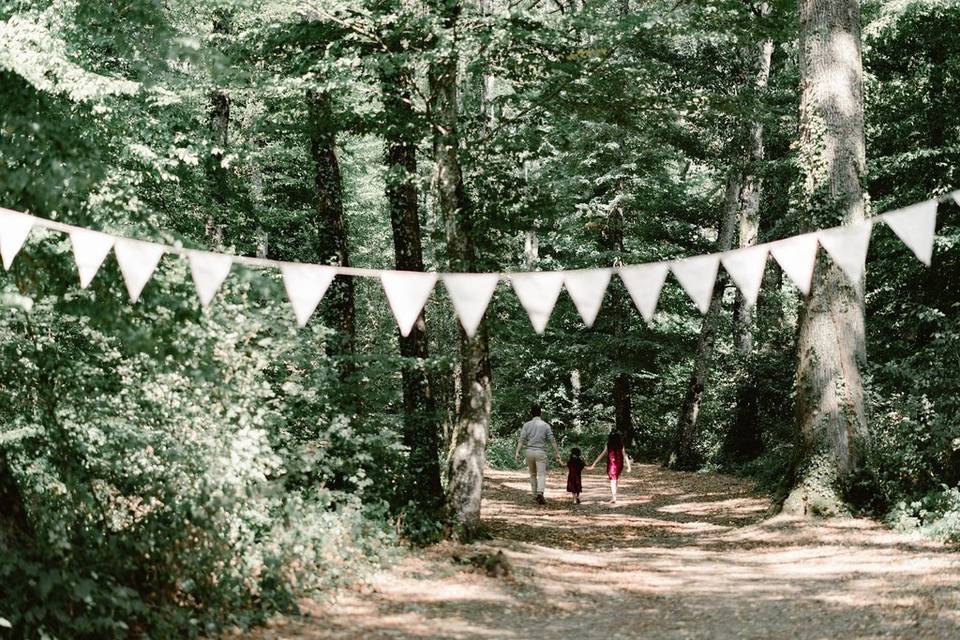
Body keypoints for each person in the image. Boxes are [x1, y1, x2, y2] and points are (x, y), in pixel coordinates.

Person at [514, 403, 562, 504]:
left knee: (532, 474)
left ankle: (535, 495)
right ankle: (540, 492)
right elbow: (552, 440)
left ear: (531, 414)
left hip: (529, 451)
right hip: (540, 452)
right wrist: (557, 453)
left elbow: (521, 439)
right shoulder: (545, 425)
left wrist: (517, 452)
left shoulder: (526, 425)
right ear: (540, 413)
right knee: (541, 474)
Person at [588, 431, 632, 504]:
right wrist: (629, 467)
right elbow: (624, 455)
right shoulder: (621, 445)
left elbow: (601, 455)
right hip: (619, 464)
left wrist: (594, 463)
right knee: (615, 479)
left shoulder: (608, 445)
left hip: (612, 464)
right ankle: (614, 496)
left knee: (613, 480)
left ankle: (614, 497)